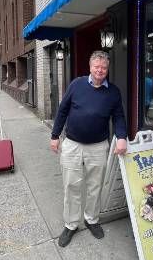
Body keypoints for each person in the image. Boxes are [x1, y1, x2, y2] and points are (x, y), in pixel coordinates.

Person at [50, 50, 127, 247]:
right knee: (71, 185)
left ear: (107, 69)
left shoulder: (113, 92)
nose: (100, 70)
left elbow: (118, 116)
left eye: (103, 67)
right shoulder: (77, 84)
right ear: (90, 67)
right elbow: (63, 110)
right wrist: (55, 135)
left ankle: (91, 219)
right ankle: (71, 224)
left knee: (95, 186)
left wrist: (122, 137)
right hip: (72, 145)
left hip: (98, 147)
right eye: (96, 67)